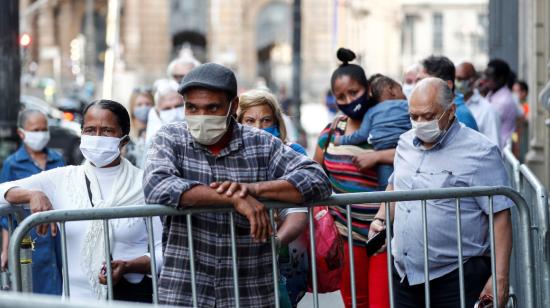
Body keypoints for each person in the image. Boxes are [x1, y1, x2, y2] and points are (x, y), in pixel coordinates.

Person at [143, 63, 332, 307]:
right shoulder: (170, 138)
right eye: (192, 108)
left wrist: (254, 190)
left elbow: (317, 179)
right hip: (185, 289)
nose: (201, 116)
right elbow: (157, 184)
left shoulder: (260, 143)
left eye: (212, 108)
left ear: (233, 106)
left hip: (249, 291)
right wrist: (234, 199)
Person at [369, 77, 513, 308]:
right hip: (404, 275)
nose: (420, 123)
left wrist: (500, 278)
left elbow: (500, 215)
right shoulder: (404, 143)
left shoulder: (480, 151)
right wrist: (381, 219)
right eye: (414, 116)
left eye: (428, 116)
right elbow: (396, 185)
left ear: (451, 110)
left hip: (456, 277)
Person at [0, 100, 163, 301]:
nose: (97, 137)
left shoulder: (144, 183)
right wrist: (32, 195)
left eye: (106, 131)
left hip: (130, 298)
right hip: (75, 299)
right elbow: (2, 192)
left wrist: (130, 266)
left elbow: (163, 248)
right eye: (90, 130)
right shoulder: (63, 179)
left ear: (123, 140)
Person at [313, 48, 392, 308]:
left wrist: (378, 157)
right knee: (354, 303)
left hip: (383, 236)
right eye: (341, 96)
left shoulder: (386, 124)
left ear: (368, 89)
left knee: (381, 303)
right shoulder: (332, 130)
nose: (349, 100)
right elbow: (314, 173)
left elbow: (412, 155)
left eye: (354, 93)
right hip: (345, 237)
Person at [237, 88, 308, 307]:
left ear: (276, 122)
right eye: (249, 121)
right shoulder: (232, 156)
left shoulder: (292, 152)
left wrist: (273, 245)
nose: (258, 128)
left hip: (286, 253)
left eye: (265, 120)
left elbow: (299, 210)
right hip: (241, 257)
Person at [0, 109, 64, 295]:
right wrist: (5, 250)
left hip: (57, 237)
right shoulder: (13, 164)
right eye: (35, 130)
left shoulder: (58, 159)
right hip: (29, 240)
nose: (41, 134)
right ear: (22, 133)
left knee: (60, 286)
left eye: (44, 129)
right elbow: (5, 215)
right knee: (30, 287)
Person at [334, 75, 411, 189]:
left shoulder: (371, 112)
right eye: (401, 89)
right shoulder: (408, 105)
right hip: (405, 148)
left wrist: (341, 140)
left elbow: (361, 135)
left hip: (383, 154)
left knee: (386, 191)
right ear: (391, 91)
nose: (404, 94)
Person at [417, 55, 479, 131]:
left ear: (447, 85)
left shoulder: (461, 116)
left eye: (425, 83)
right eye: (418, 82)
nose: (417, 88)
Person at [455, 61, 501, 147]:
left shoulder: (487, 110)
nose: (457, 82)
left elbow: (494, 146)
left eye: (461, 79)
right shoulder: (450, 106)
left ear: (472, 81)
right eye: (455, 79)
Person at [485, 59, 519, 147]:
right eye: (486, 75)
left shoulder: (503, 101)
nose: (486, 79)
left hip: (500, 149)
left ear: (501, 78)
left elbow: (484, 121)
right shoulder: (492, 93)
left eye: (489, 76)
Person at [145, 79, 185, 144]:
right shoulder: (154, 145)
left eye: (178, 106)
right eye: (167, 108)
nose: (174, 112)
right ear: (157, 112)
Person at [125, 86, 155, 168]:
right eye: (139, 104)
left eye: (148, 104)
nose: (144, 107)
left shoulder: (158, 131)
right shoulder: (126, 134)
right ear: (132, 108)